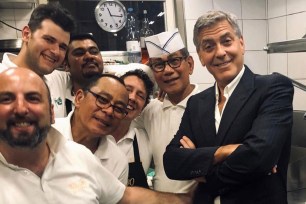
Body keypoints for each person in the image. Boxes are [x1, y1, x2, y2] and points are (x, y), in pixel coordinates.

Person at [0, 67, 192, 204]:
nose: (21, 108)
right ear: (79, 98)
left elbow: (126, 196)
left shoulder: (80, 156)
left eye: (33, 98)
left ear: (50, 111)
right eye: (6, 99)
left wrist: (190, 199)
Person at [163, 10, 294, 204]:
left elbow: (259, 157)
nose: (220, 52)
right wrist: (223, 152)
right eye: (208, 46)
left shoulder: (273, 88)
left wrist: (203, 173)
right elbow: (172, 162)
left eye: (226, 41)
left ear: (241, 44)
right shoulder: (197, 103)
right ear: (200, 56)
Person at [133, 29, 198, 193]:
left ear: (189, 64)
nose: (168, 70)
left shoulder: (211, 105)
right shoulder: (150, 110)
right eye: (159, 65)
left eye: (174, 61)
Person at [0, 3, 75, 118]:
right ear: (26, 34)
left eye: (62, 47)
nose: (56, 51)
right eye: (49, 40)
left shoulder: (58, 79)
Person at [53, 74, 129, 184]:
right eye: (103, 100)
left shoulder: (117, 161)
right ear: (79, 98)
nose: (109, 111)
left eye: (119, 109)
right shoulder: (46, 136)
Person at [110, 69, 154, 188]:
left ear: (143, 108)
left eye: (140, 95)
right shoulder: (94, 135)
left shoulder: (145, 140)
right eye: (128, 89)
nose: (133, 97)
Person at [63, 33, 104, 114]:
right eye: (79, 53)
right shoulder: (57, 88)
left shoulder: (115, 94)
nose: (89, 56)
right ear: (66, 65)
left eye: (94, 52)